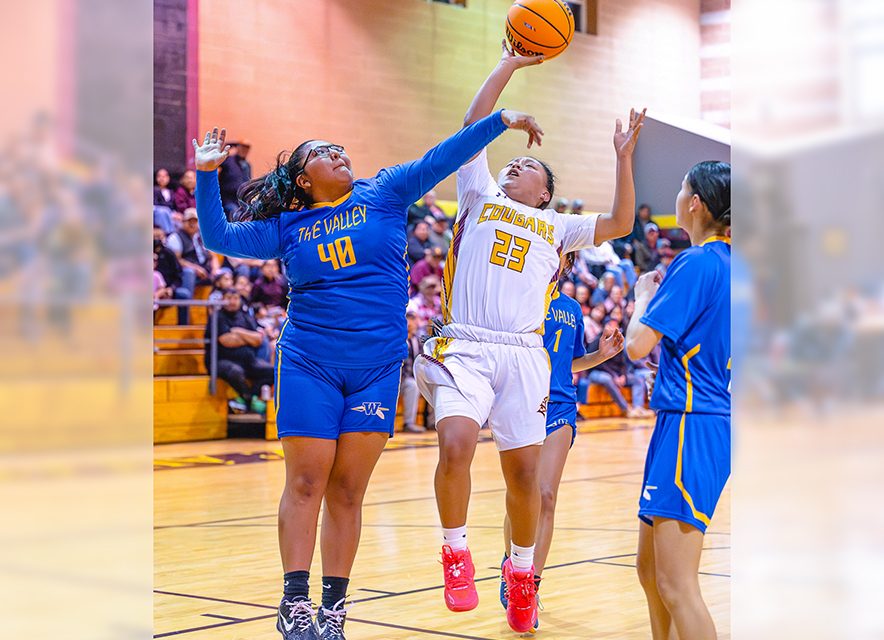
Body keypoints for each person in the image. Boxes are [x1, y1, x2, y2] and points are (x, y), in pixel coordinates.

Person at [193, 109, 544, 640]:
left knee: (349, 490)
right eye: (321, 152)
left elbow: (444, 155)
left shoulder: (381, 191)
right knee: (307, 481)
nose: (337, 152)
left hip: (376, 367)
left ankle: (333, 608)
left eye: (338, 145)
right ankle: (294, 602)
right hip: (310, 361)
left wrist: (500, 120)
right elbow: (219, 236)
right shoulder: (288, 227)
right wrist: (204, 174)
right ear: (304, 180)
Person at [413, 41, 644, 633]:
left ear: (544, 192)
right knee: (457, 442)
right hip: (464, 341)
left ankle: (520, 574)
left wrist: (624, 157)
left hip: (524, 354)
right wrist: (508, 68)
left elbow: (620, 223)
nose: (515, 166)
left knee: (523, 478)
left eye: (528, 167)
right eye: (511, 163)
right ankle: (455, 551)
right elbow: (472, 129)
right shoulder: (477, 194)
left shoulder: (558, 225)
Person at [625, 161, 731, 640]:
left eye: (681, 187)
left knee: (676, 583)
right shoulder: (734, 267)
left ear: (696, 203)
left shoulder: (697, 262)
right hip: (692, 420)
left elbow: (635, 346)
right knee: (650, 571)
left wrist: (640, 299)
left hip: (693, 423)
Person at [498, 271, 624, 625]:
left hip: (561, 405)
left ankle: (529, 585)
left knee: (546, 493)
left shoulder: (571, 307)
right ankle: (512, 564)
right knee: (523, 490)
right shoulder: (517, 295)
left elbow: (570, 362)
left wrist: (601, 356)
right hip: (523, 399)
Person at [206, 288, 275, 414]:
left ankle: (249, 396)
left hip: (248, 360)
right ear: (223, 300)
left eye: (235, 298)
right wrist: (248, 338)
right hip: (222, 360)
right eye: (229, 298)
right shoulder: (217, 316)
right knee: (236, 372)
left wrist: (237, 331)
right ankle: (249, 399)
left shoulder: (245, 316)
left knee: (273, 371)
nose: (232, 301)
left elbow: (258, 339)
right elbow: (226, 340)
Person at [588, 318, 654, 418]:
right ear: (605, 327)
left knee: (637, 379)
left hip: (616, 374)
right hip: (596, 372)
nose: (613, 329)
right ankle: (626, 409)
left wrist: (623, 375)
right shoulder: (597, 341)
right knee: (606, 378)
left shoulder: (619, 342)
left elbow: (623, 363)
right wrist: (614, 376)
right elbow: (599, 364)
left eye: (616, 326)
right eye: (610, 326)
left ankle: (637, 408)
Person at [399, 311, 425, 433]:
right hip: (400, 379)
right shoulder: (399, 339)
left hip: (414, 377)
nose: (411, 323)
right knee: (412, 385)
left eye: (413, 320)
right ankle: (408, 423)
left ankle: (433, 422)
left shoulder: (418, 340)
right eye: (409, 320)